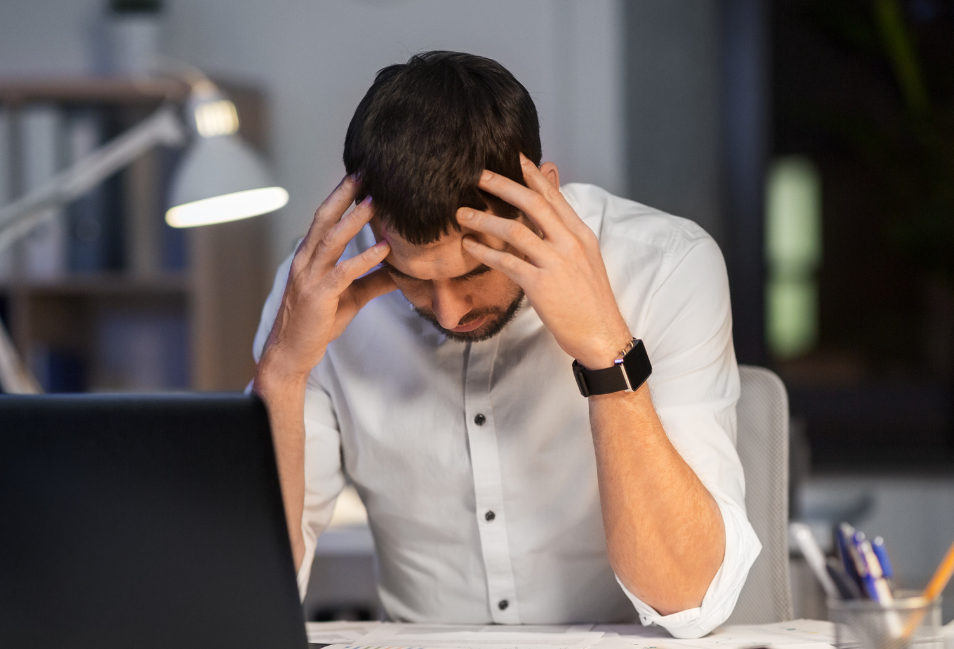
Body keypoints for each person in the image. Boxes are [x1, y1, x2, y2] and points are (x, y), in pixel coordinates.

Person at [251, 51, 760, 639]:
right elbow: (253, 589)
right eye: (411, 277)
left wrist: (605, 350)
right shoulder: (315, 292)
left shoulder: (666, 267)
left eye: (473, 272)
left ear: (541, 195)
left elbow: (690, 598)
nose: (447, 310)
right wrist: (283, 372)